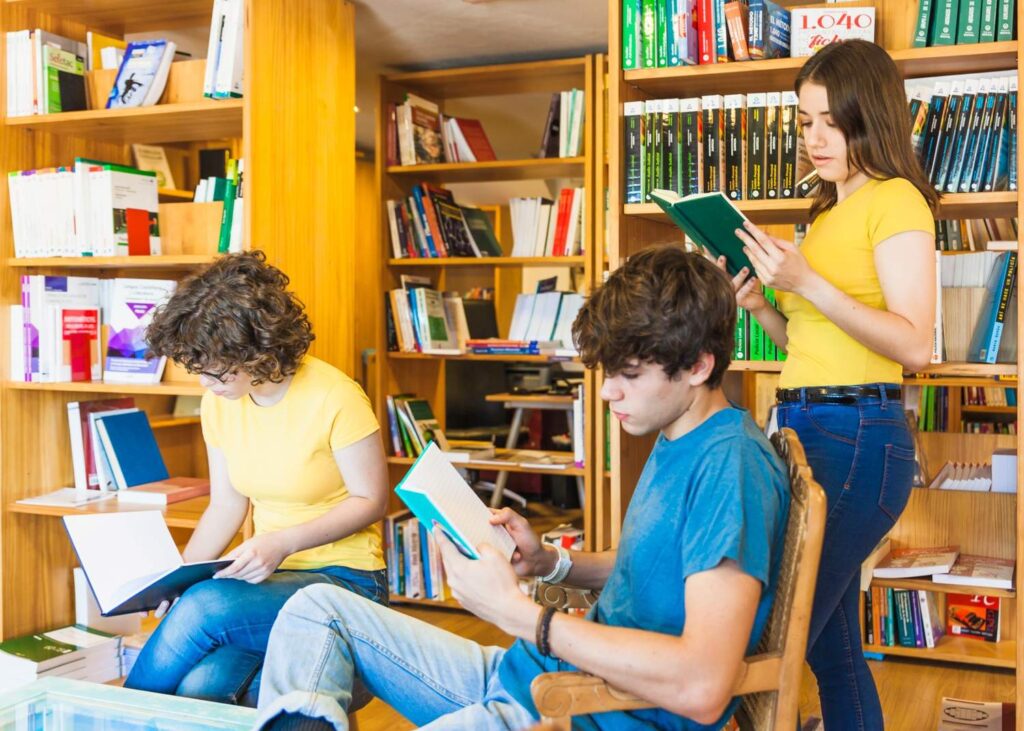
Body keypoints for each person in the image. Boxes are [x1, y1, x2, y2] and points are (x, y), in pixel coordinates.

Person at [252, 246, 790, 730]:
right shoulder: (683, 435)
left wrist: (519, 615)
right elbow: (656, 566)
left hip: (574, 711)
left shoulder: (730, 468)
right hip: (541, 676)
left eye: (628, 374)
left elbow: (702, 685)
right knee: (314, 607)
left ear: (698, 366)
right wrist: (549, 563)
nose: (608, 393)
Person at [727, 40, 938, 731]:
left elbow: (914, 343)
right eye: (804, 121)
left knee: (777, 641)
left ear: (869, 118)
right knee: (833, 649)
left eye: (831, 122)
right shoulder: (825, 217)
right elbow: (813, 344)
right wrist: (763, 306)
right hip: (808, 426)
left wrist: (808, 282)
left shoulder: (896, 200)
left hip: (856, 435)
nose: (813, 139)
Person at [124, 251, 390, 705]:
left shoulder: (337, 396)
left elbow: (371, 500)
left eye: (215, 369)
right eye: (197, 368)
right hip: (264, 580)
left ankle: (114, 717)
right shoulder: (219, 402)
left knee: (205, 606)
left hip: (347, 580)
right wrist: (176, 579)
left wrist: (282, 542)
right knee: (202, 686)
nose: (205, 382)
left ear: (256, 351)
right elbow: (226, 505)